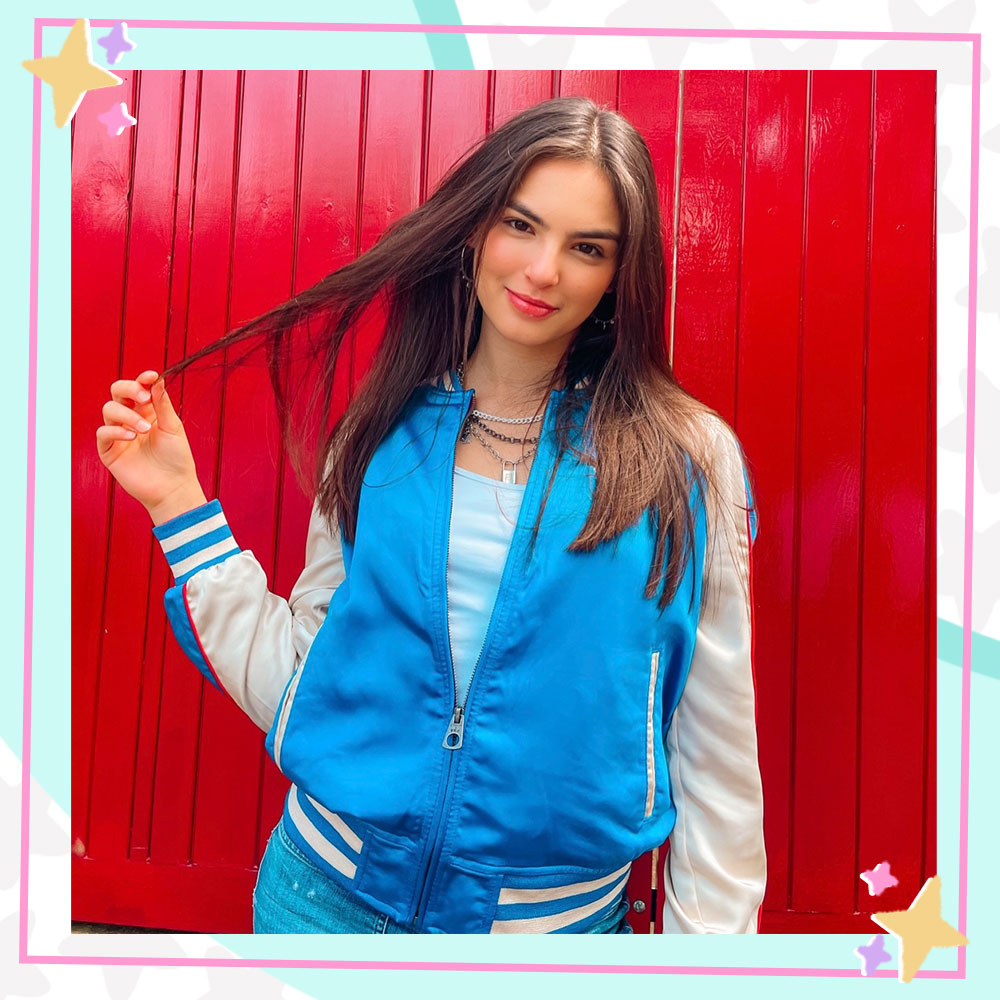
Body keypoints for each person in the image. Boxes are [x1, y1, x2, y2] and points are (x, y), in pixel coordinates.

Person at [95, 96, 765, 935]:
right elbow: (304, 683)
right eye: (522, 225)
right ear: (476, 232)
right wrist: (178, 506)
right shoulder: (379, 436)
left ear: (617, 277)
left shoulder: (689, 460)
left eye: (586, 247)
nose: (544, 269)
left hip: (550, 943)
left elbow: (717, 751)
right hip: (319, 906)